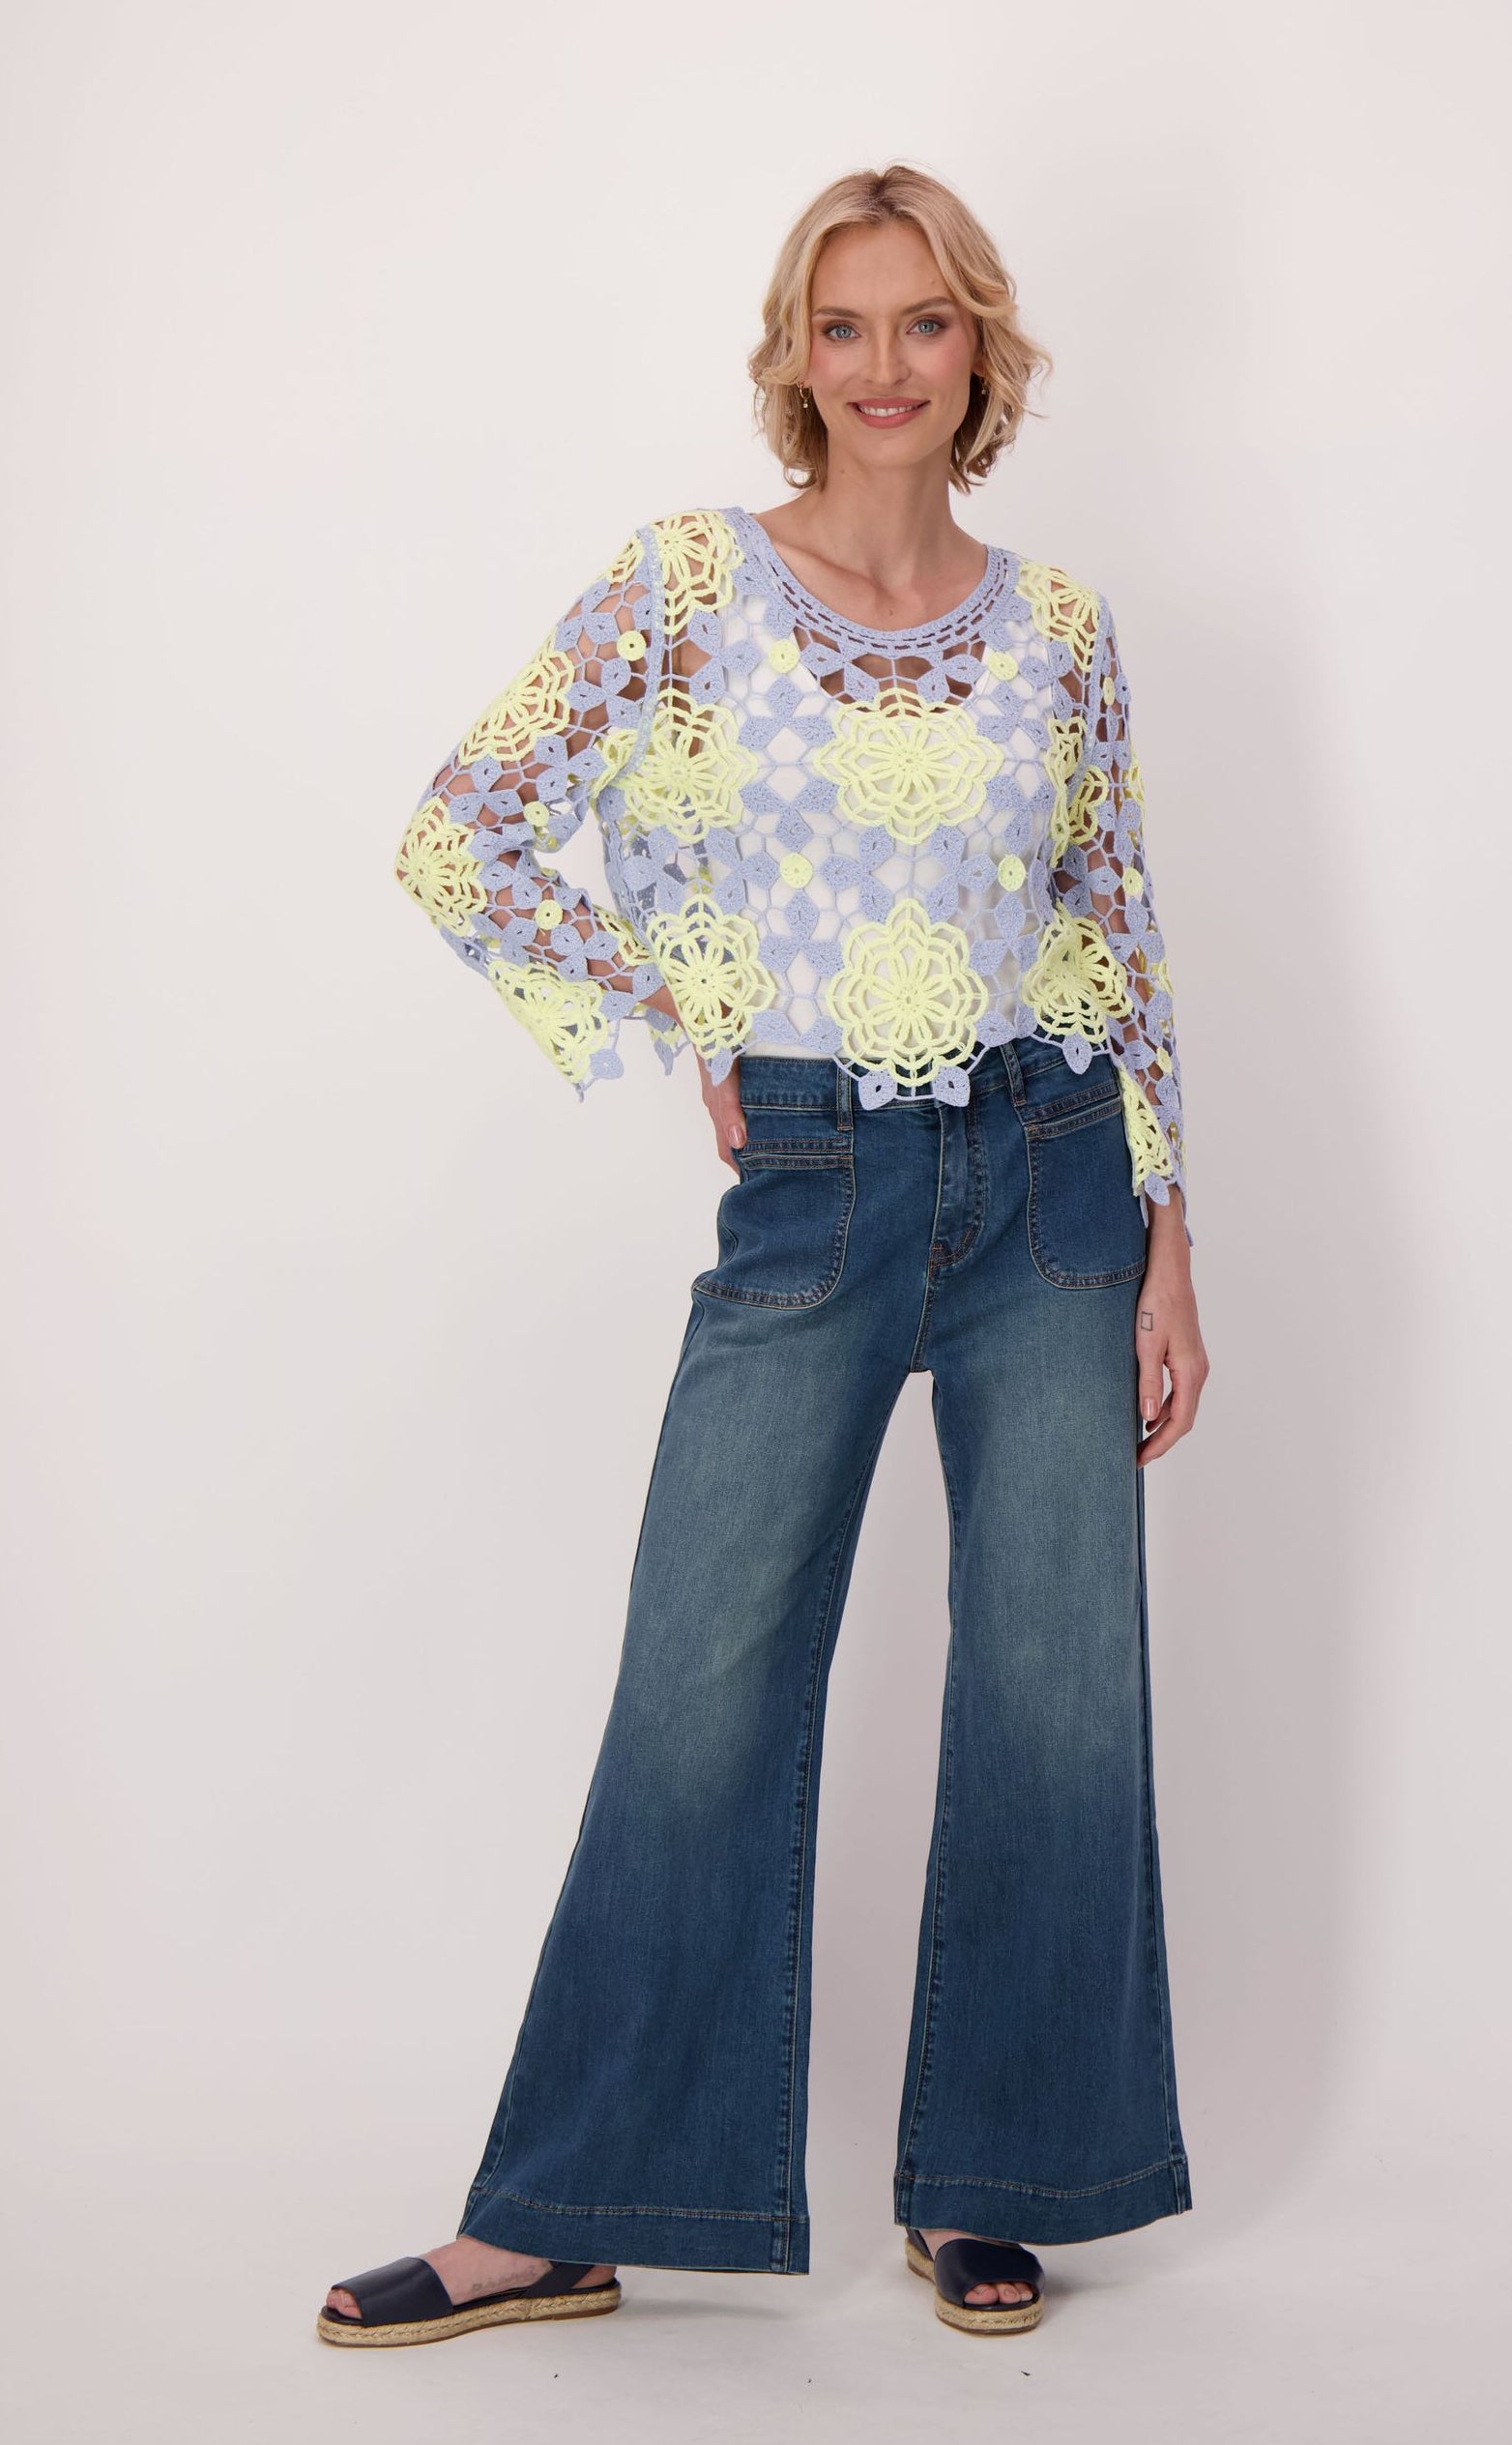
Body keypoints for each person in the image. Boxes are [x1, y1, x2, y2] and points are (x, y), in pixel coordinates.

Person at [319, 160, 1207, 2349]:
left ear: (979, 350)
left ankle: (997, 2175)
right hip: (811, 1179)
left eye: (926, 325)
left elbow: (1111, 928)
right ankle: (571, 2199)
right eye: (846, 326)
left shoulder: (1063, 624)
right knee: (700, 1683)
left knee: (1056, 1694)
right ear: (793, 358)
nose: (887, 366)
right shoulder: (693, 585)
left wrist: (1172, 1233)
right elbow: (470, 824)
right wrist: (673, 1009)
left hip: (1051, 1175)